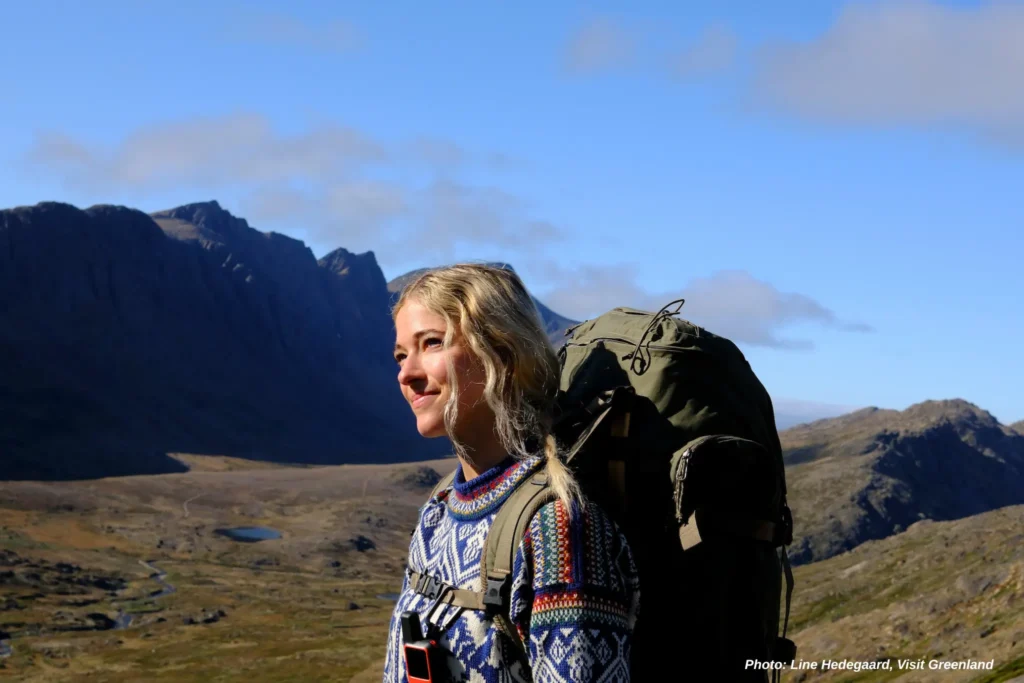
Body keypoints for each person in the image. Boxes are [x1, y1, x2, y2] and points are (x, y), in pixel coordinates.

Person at [382, 263, 640, 683]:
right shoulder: (440, 508)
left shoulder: (557, 529)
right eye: (400, 354)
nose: (406, 374)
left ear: (501, 355)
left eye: (431, 343)